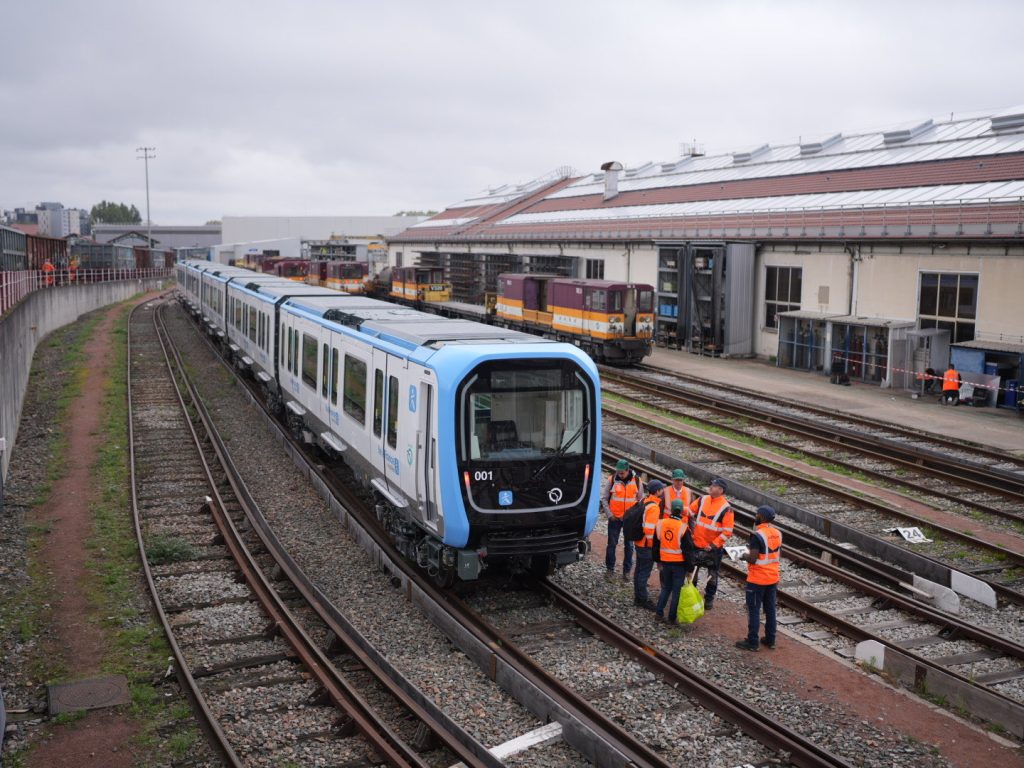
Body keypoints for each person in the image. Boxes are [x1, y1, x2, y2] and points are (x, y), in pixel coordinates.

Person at [736, 506, 783, 652]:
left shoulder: (757, 535)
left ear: (761, 517)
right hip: (772, 577)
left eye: (757, 514)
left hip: (757, 579)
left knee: (754, 610)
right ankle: (770, 640)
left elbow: (753, 558)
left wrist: (742, 555)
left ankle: (753, 642)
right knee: (770, 610)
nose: (755, 516)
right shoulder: (777, 533)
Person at [689, 478, 734, 610]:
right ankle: (691, 596)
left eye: (713, 486)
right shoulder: (702, 499)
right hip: (697, 543)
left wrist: (713, 545)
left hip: (712, 548)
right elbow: (690, 512)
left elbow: (727, 532)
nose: (710, 487)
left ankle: (709, 600)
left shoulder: (727, 508)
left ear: (720, 490)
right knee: (692, 572)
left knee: (712, 575)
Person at [602, 459, 643, 581]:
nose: (620, 475)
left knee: (629, 546)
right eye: (618, 472)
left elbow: (640, 501)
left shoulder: (637, 480)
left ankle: (626, 572)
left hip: (629, 521)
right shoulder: (612, 480)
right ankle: (610, 569)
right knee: (612, 544)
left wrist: (635, 517)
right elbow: (604, 499)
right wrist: (610, 515)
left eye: (622, 473)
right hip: (615, 519)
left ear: (627, 470)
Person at [654, 499, 692, 623]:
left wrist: (658, 561)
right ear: (681, 511)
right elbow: (688, 551)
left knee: (666, 588)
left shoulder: (660, 524)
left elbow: (655, 545)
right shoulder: (684, 528)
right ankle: (671, 618)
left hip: (665, 562)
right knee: (676, 592)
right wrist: (690, 569)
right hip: (679, 565)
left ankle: (659, 613)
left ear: (671, 509)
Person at [633, 479, 665, 609]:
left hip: (639, 542)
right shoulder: (654, 507)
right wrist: (654, 546)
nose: (663, 491)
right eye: (661, 489)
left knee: (639, 570)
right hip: (646, 546)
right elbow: (649, 530)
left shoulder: (644, 501)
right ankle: (642, 599)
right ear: (657, 491)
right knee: (644, 573)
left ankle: (638, 597)